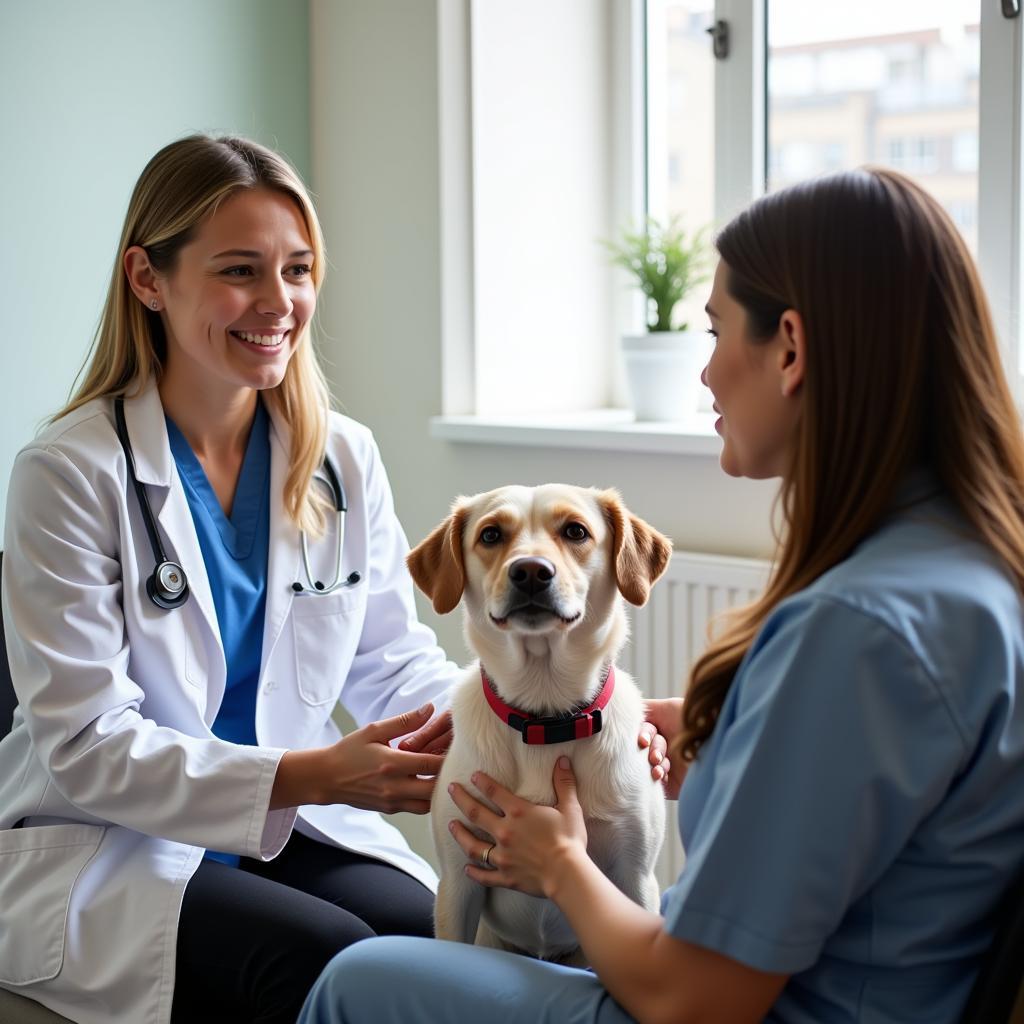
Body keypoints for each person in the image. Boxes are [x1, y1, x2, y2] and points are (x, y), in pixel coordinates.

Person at [296, 166, 1024, 1024]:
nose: (707, 375)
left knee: (358, 976)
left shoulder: (852, 629)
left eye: (715, 332)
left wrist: (561, 864)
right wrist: (737, 729)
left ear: (789, 348)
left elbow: (695, 998)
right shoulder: (969, 568)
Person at [0, 134, 673, 1024]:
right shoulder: (68, 472)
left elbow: (395, 664)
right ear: (148, 279)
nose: (279, 303)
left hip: (291, 831)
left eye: (299, 269)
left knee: (424, 958)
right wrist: (310, 775)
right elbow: (85, 744)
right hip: (115, 843)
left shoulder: (339, 457)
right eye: (241, 270)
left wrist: (573, 728)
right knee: (338, 967)